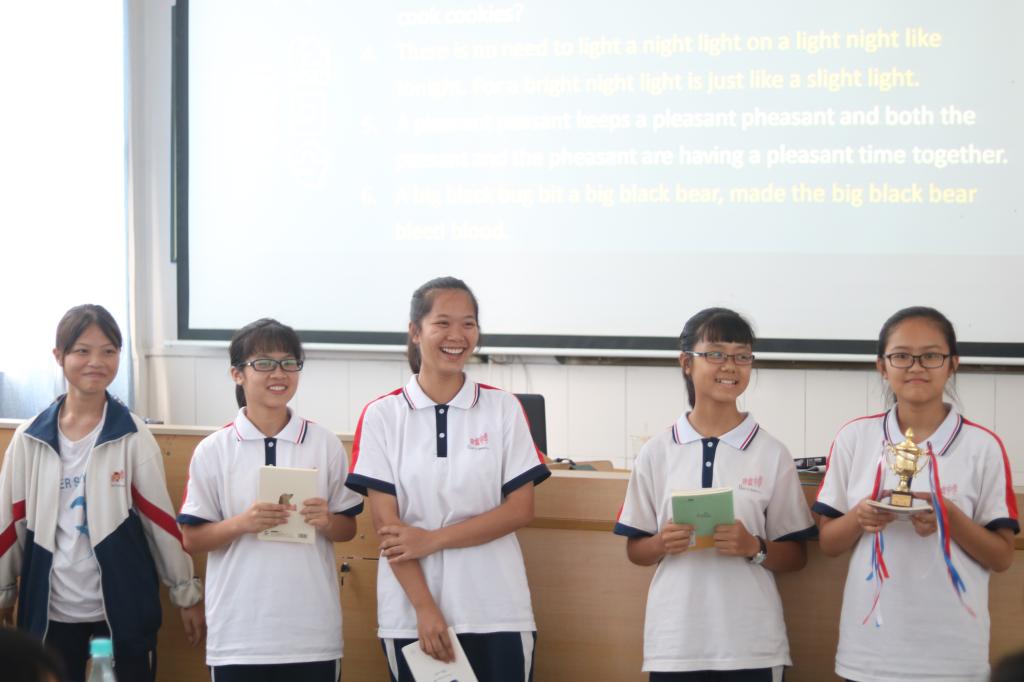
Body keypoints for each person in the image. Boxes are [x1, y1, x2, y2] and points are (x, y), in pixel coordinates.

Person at [346, 276, 550, 682]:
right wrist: (425, 609)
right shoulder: (383, 415)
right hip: (412, 616)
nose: (457, 336)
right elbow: (388, 527)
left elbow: (520, 510)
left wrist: (432, 539)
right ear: (415, 331)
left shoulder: (503, 408)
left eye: (468, 324)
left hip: (497, 612)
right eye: (442, 323)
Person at [0, 304, 204, 682]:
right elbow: (8, 527)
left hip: (121, 612)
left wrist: (185, 593)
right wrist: (3, 594)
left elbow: (160, 523)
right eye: (82, 350)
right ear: (59, 356)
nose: (96, 361)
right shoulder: (29, 439)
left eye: (108, 351)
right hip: (50, 614)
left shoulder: (132, 435)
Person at [814, 306, 1018, 681]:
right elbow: (828, 543)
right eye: (902, 356)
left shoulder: (982, 446)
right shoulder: (854, 438)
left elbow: (1002, 556)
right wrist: (860, 517)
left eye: (931, 356)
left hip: (954, 654)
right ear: (882, 365)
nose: (916, 367)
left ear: (952, 363)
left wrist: (949, 518)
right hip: (870, 652)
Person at [615, 307, 815, 681]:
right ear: (686, 362)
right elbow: (635, 550)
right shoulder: (656, 452)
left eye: (742, 356)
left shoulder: (771, 453)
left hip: (751, 645)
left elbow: (797, 556)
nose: (730, 366)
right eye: (717, 354)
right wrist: (661, 543)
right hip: (674, 644)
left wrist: (754, 547)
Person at [178, 318, 362, 682]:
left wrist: (326, 521)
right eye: (264, 363)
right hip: (238, 636)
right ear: (237, 374)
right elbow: (192, 539)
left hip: (312, 635)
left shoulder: (324, 444)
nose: (279, 373)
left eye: (289, 363)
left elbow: (348, 529)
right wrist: (242, 523)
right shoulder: (213, 450)